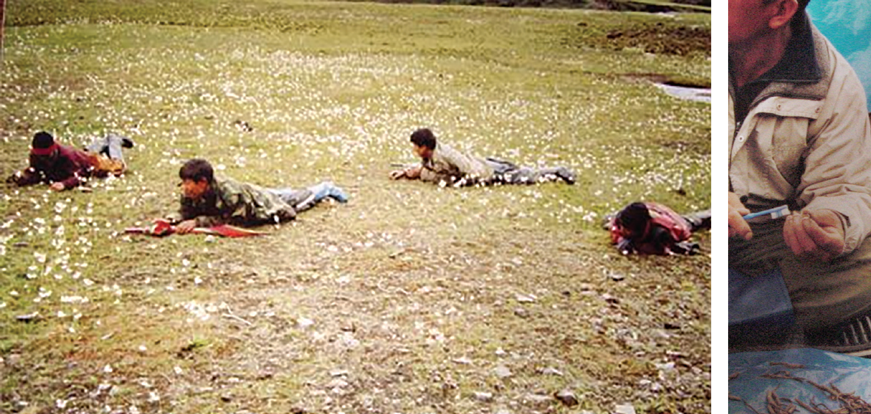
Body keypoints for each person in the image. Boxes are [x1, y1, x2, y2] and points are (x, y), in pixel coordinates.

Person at [727, 0, 871, 339]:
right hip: (689, 224)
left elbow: (846, 187)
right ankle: (745, 320)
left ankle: (730, 316)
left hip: (758, 234)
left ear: (780, 10)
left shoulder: (833, 82)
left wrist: (834, 219)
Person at [169, 158, 349, 233]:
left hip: (261, 204)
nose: (185, 188)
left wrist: (197, 222)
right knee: (280, 193)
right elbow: (185, 211)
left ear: (202, 182)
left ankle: (326, 188)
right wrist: (172, 220)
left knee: (298, 200)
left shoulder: (230, 193)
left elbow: (235, 220)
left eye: (188, 183)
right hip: (252, 194)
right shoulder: (190, 191)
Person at [389, 128, 576, 186]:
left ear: (424, 147)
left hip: (490, 171)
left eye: (415, 146)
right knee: (523, 174)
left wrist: (456, 183)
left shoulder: (448, 155)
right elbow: (428, 169)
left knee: (525, 176)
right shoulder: (431, 156)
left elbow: (469, 171)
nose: (414, 149)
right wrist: (406, 172)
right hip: (485, 165)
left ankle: (557, 170)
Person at [7, 131, 128, 191]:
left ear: (53, 150)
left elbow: (82, 174)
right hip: (81, 156)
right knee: (85, 153)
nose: (43, 159)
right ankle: (105, 140)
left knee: (117, 167)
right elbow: (37, 171)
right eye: (40, 156)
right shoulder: (35, 155)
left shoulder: (67, 156)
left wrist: (64, 184)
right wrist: (22, 178)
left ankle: (114, 140)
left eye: (46, 156)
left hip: (91, 164)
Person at [606, 202, 710, 255]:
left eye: (626, 229)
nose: (623, 230)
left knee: (696, 220)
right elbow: (615, 229)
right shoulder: (621, 218)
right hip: (652, 212)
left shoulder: (660, 233)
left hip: (678, 222)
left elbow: (664, 250)